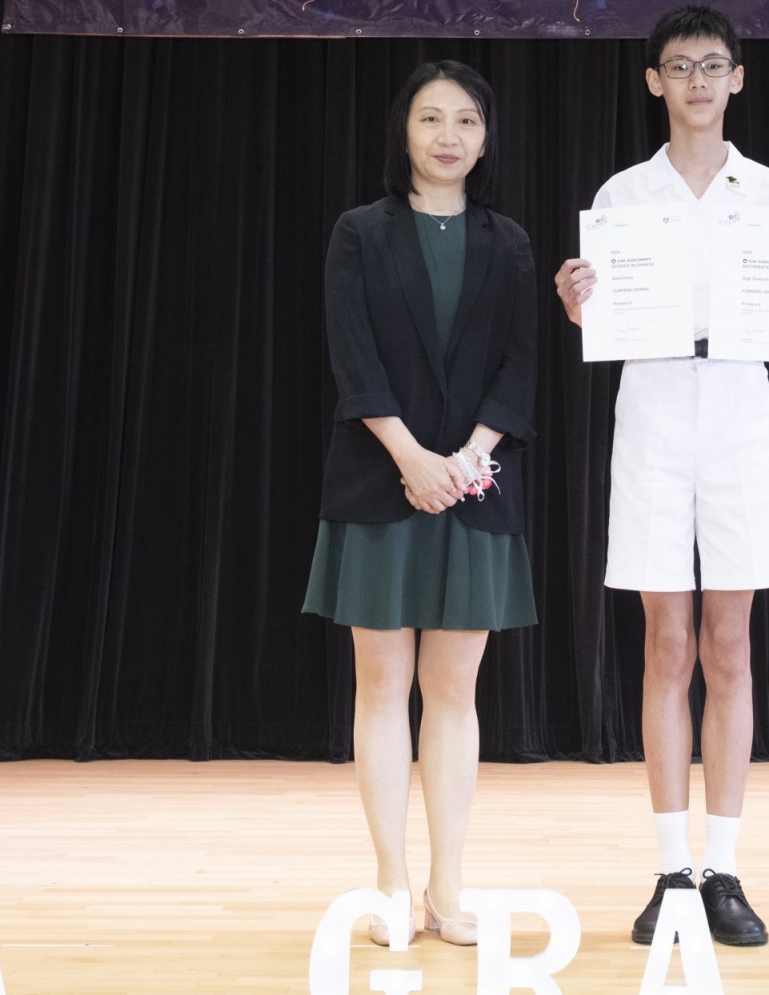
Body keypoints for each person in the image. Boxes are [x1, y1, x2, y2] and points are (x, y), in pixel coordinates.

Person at [552, 6, 769, 946]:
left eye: (714, 66)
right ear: (655, 82)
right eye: (681, 67)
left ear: (738, 78)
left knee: (729, 643)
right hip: (653, 403)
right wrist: (580, 303)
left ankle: (724, 868)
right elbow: (603, 313)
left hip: (741, 407)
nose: (699, 82)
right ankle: (672, 869)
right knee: (666, 643)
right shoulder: (623, 195)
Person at [303, 60, 539, 946]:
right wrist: (409, 457)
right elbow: (353, 358)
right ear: (404, 129)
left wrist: (467, 460)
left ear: (486, 137)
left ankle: (447, 887)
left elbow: (520, 368)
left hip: (473, 489)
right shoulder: (359, 232)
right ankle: (391, 885)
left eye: (467, 120)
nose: (449, 135)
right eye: (431, 118)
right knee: (382, 685)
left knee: (453, 691)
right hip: (379, 481)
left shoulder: (509, 242)